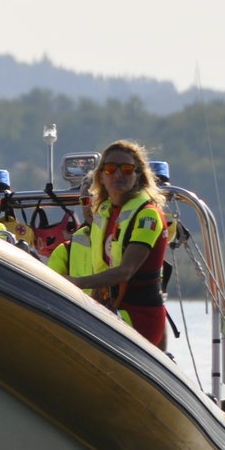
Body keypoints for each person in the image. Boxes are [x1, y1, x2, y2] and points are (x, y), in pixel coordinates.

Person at [73, 140, 176, 348]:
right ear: (101, 176)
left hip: (141, 317)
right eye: (110, 169)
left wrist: (76, 283)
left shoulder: (148, 215)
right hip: (113, 310)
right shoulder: (104, 213)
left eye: (127, 169)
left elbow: (126, 271)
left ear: (138, 175)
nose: (118, 174)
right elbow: (101, 276)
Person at [47, 177, 97, 278]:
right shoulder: (65, 251)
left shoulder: (125, 241)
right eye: (85, 200)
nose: (91, 205)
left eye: (96, 198)